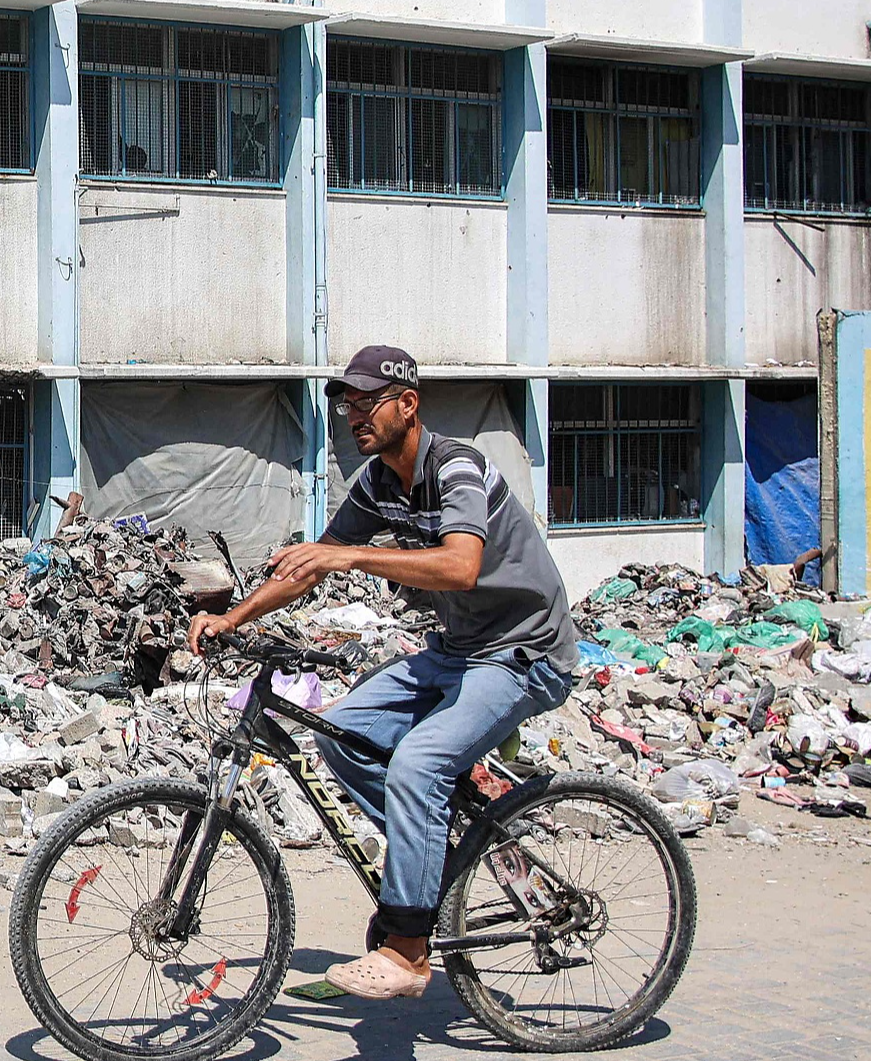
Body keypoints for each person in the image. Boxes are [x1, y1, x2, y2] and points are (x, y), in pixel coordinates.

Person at [188, 345, 580, 1000]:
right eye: (348, 405)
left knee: (419, 764)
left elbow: (459, 566)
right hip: (460, 649)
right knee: (342, 734)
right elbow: (316, 562)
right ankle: (432, 857)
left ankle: (406, 949)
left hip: (524, 651)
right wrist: (235, 619)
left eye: (368, 402)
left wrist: (351, 558)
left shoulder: (457, 468)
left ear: (409, 404)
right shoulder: (376, 482)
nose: (354, 416)